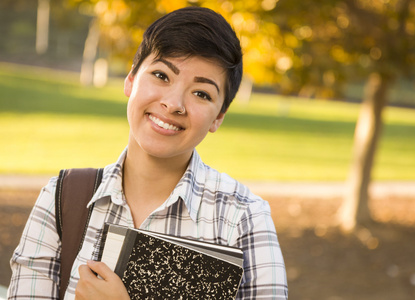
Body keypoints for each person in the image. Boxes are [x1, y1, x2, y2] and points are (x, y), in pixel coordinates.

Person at [8, 6, 288, 300]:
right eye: (161, 75)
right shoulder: (62, 199)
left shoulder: (243, 217)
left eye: (201, 93)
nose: (173, 103)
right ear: (130, 80)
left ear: (218, 117)